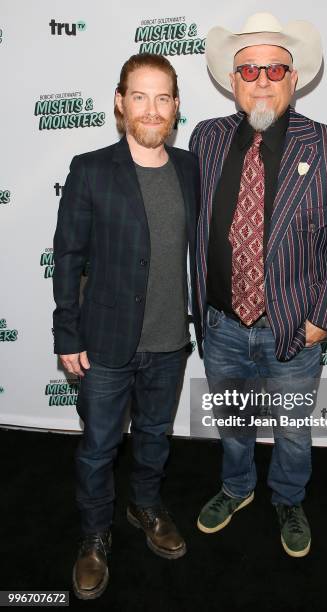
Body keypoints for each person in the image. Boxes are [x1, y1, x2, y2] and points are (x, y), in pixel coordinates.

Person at [189, 12, 327, 557]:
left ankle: (288, 497)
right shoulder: (207, 138)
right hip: (220, 324)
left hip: (291, 326)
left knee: (291, 429)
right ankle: (237, 487)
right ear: (233, 81)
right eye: (248, 70)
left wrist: (322, 320)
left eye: (274, 68)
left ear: (294, 78)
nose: (261, 80)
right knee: (235, 419)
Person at [52, 53, 201, 599]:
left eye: (163, 97)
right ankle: (93, 537)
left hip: (170, 342)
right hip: (105, 342)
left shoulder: (190, 168)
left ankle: (146, 506)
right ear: (120, 102)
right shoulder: (90, 168)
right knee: (97, 447)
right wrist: (66, 333)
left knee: (156, 437)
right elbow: (68, 256)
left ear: (176, 106)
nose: (152, 108)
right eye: (140, 96)